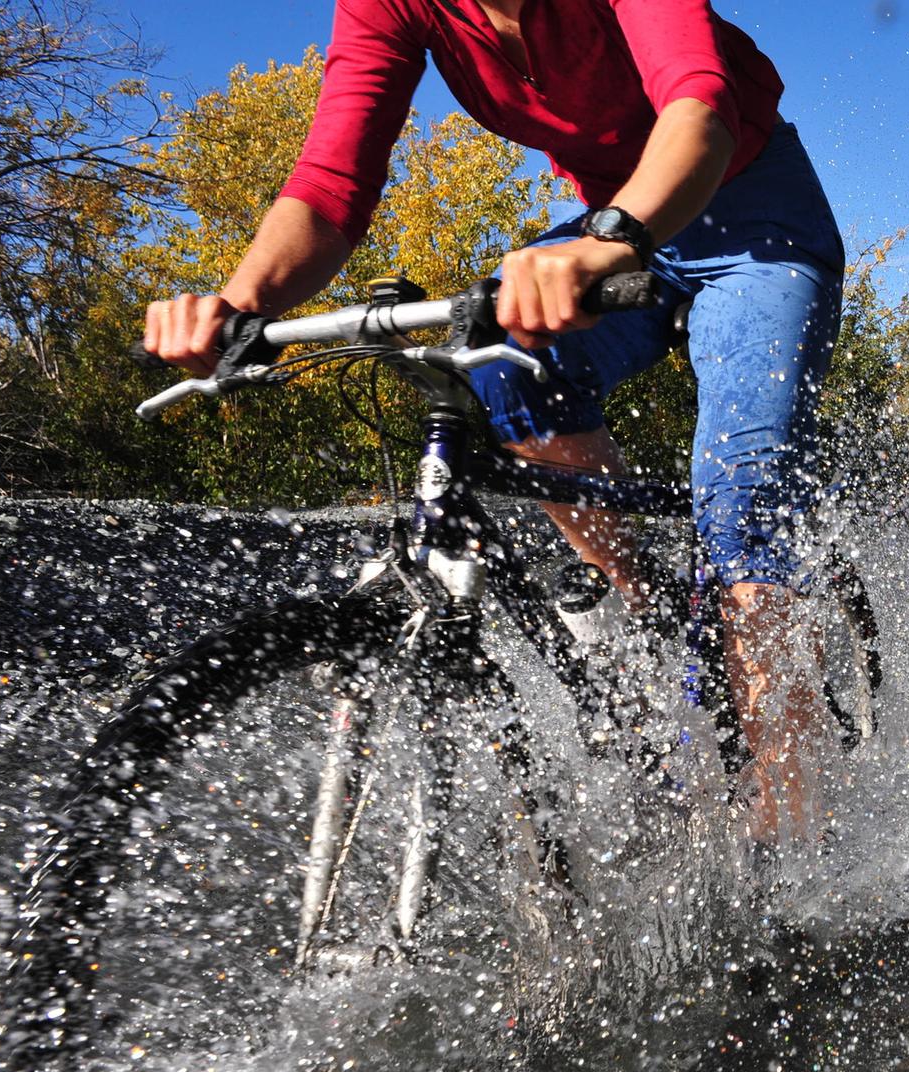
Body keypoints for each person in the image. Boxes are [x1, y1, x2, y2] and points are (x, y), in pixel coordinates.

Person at [142, 0, 846, 846]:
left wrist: (612, 236)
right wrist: (238, 303)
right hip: (616, 226)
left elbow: (699, 104)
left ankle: (795, 862)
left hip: (751, 216)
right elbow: (331, 186)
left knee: (741, 500)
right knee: (504, 362)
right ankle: (654, 612)